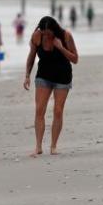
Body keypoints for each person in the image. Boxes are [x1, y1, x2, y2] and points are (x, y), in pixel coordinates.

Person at [23, 16, 78, 156]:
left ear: (54, 29)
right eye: (44, 33)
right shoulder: (37, 36)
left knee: (58, 111)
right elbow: (31, 56)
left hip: (62, 77)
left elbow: (75, 59)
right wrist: (27, 75)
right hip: (43, 76)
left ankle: (53, 146)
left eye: (49, 33)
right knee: (39, 110)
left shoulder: (66, 36)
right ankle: (38, 146)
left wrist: (60, 48)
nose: (46, 35)